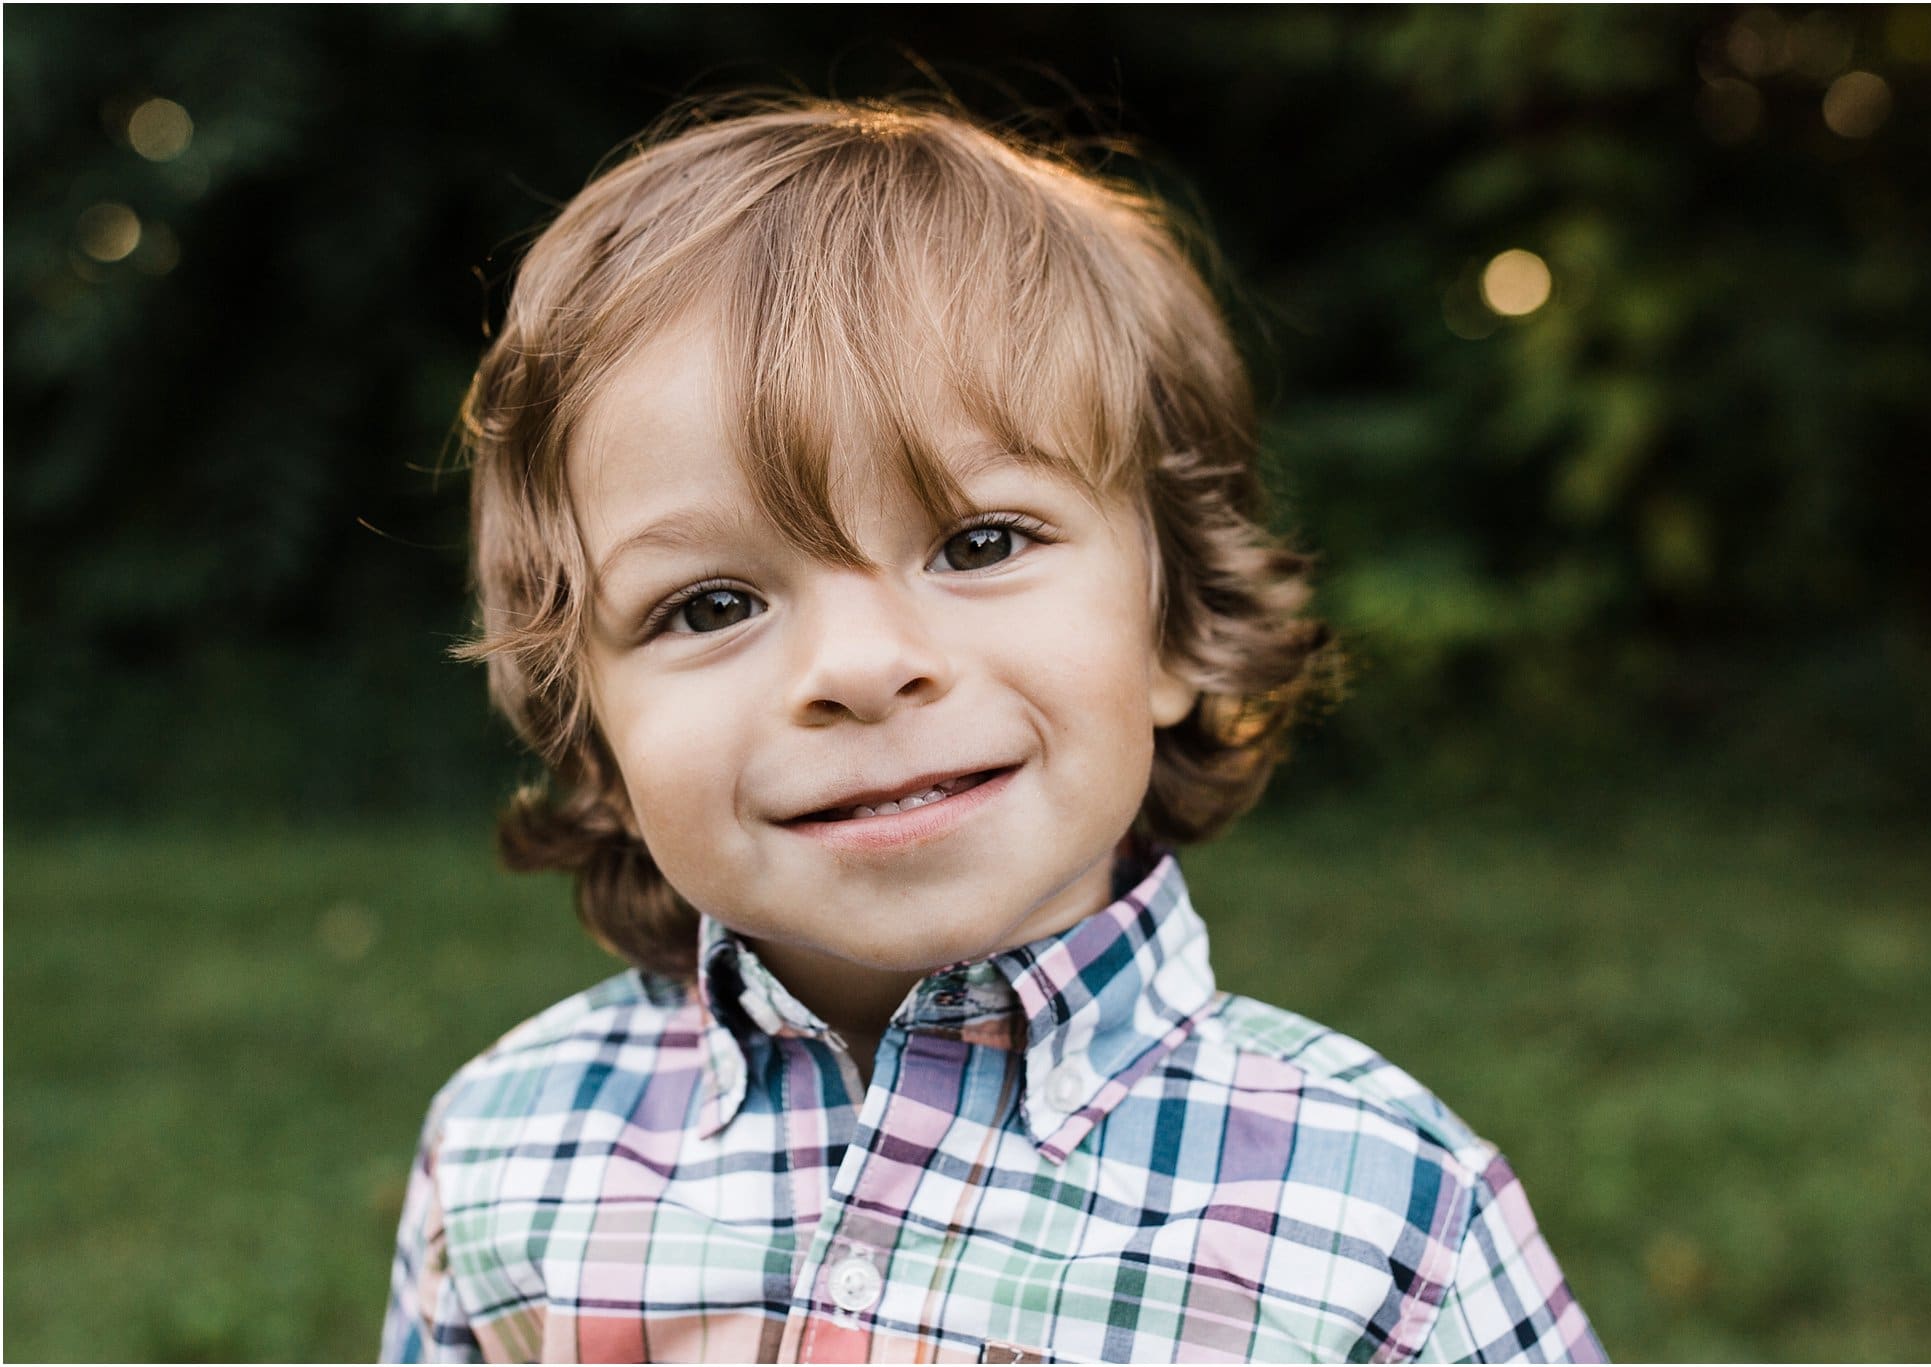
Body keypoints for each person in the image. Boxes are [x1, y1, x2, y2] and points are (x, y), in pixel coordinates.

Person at [382, 96, 1605, 1365]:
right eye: (711, 604)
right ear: (594, 739)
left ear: (1177, 619)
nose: (859, 668)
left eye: (978, 542)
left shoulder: (1379, 1217)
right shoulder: (508, 1150)